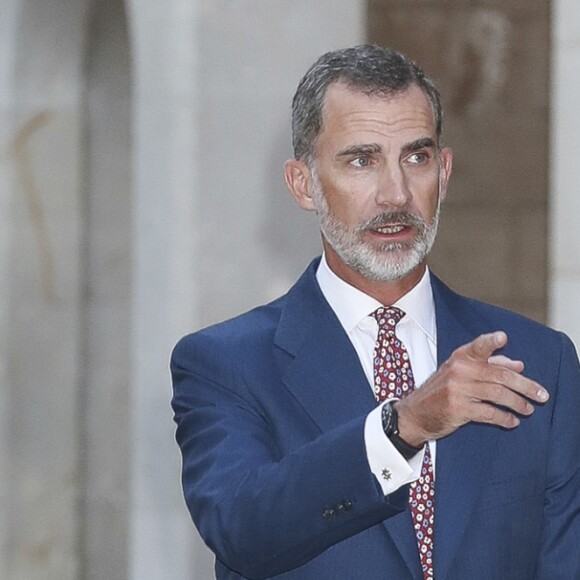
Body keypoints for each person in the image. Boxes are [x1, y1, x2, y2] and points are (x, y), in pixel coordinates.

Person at [171, 45, 580, 579]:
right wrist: (403, 424)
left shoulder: (539, 361)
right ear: (303, 184)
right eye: (361, 160)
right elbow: (242, 530)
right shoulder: (224, 364)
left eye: (417, 157)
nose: (396, 194)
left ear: (446, 171)